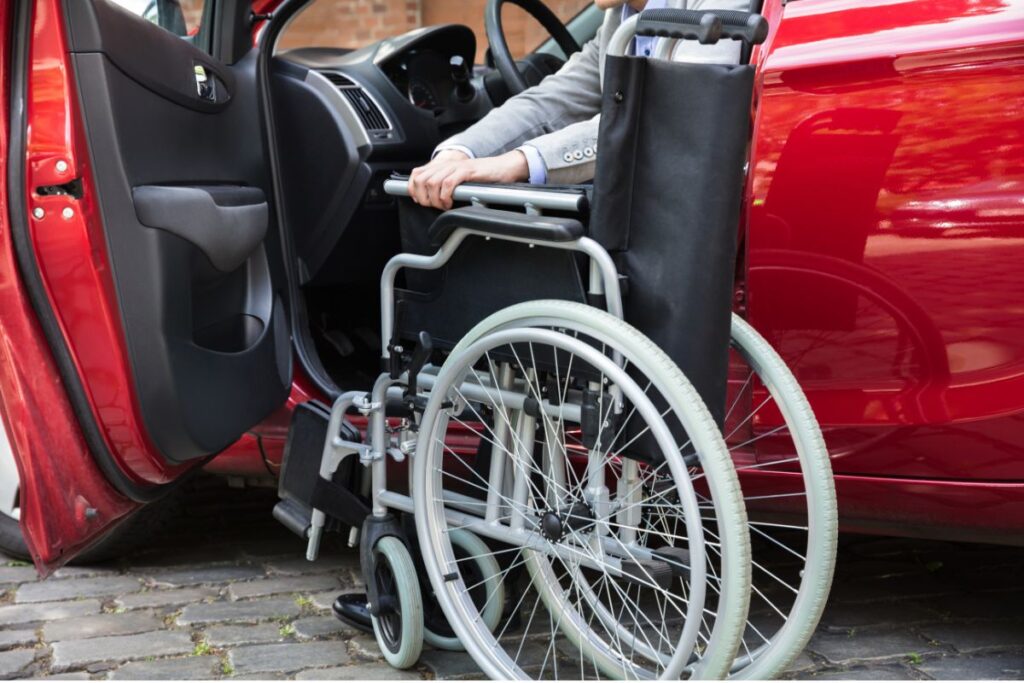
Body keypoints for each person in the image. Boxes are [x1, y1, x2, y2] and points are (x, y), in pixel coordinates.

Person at [408, 0, 749, 210]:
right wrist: (463, 153)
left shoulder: (717, 7)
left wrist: (518, 162)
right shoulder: (619, 18)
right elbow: (552, 100)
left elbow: (665, 122)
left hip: (692, 223)